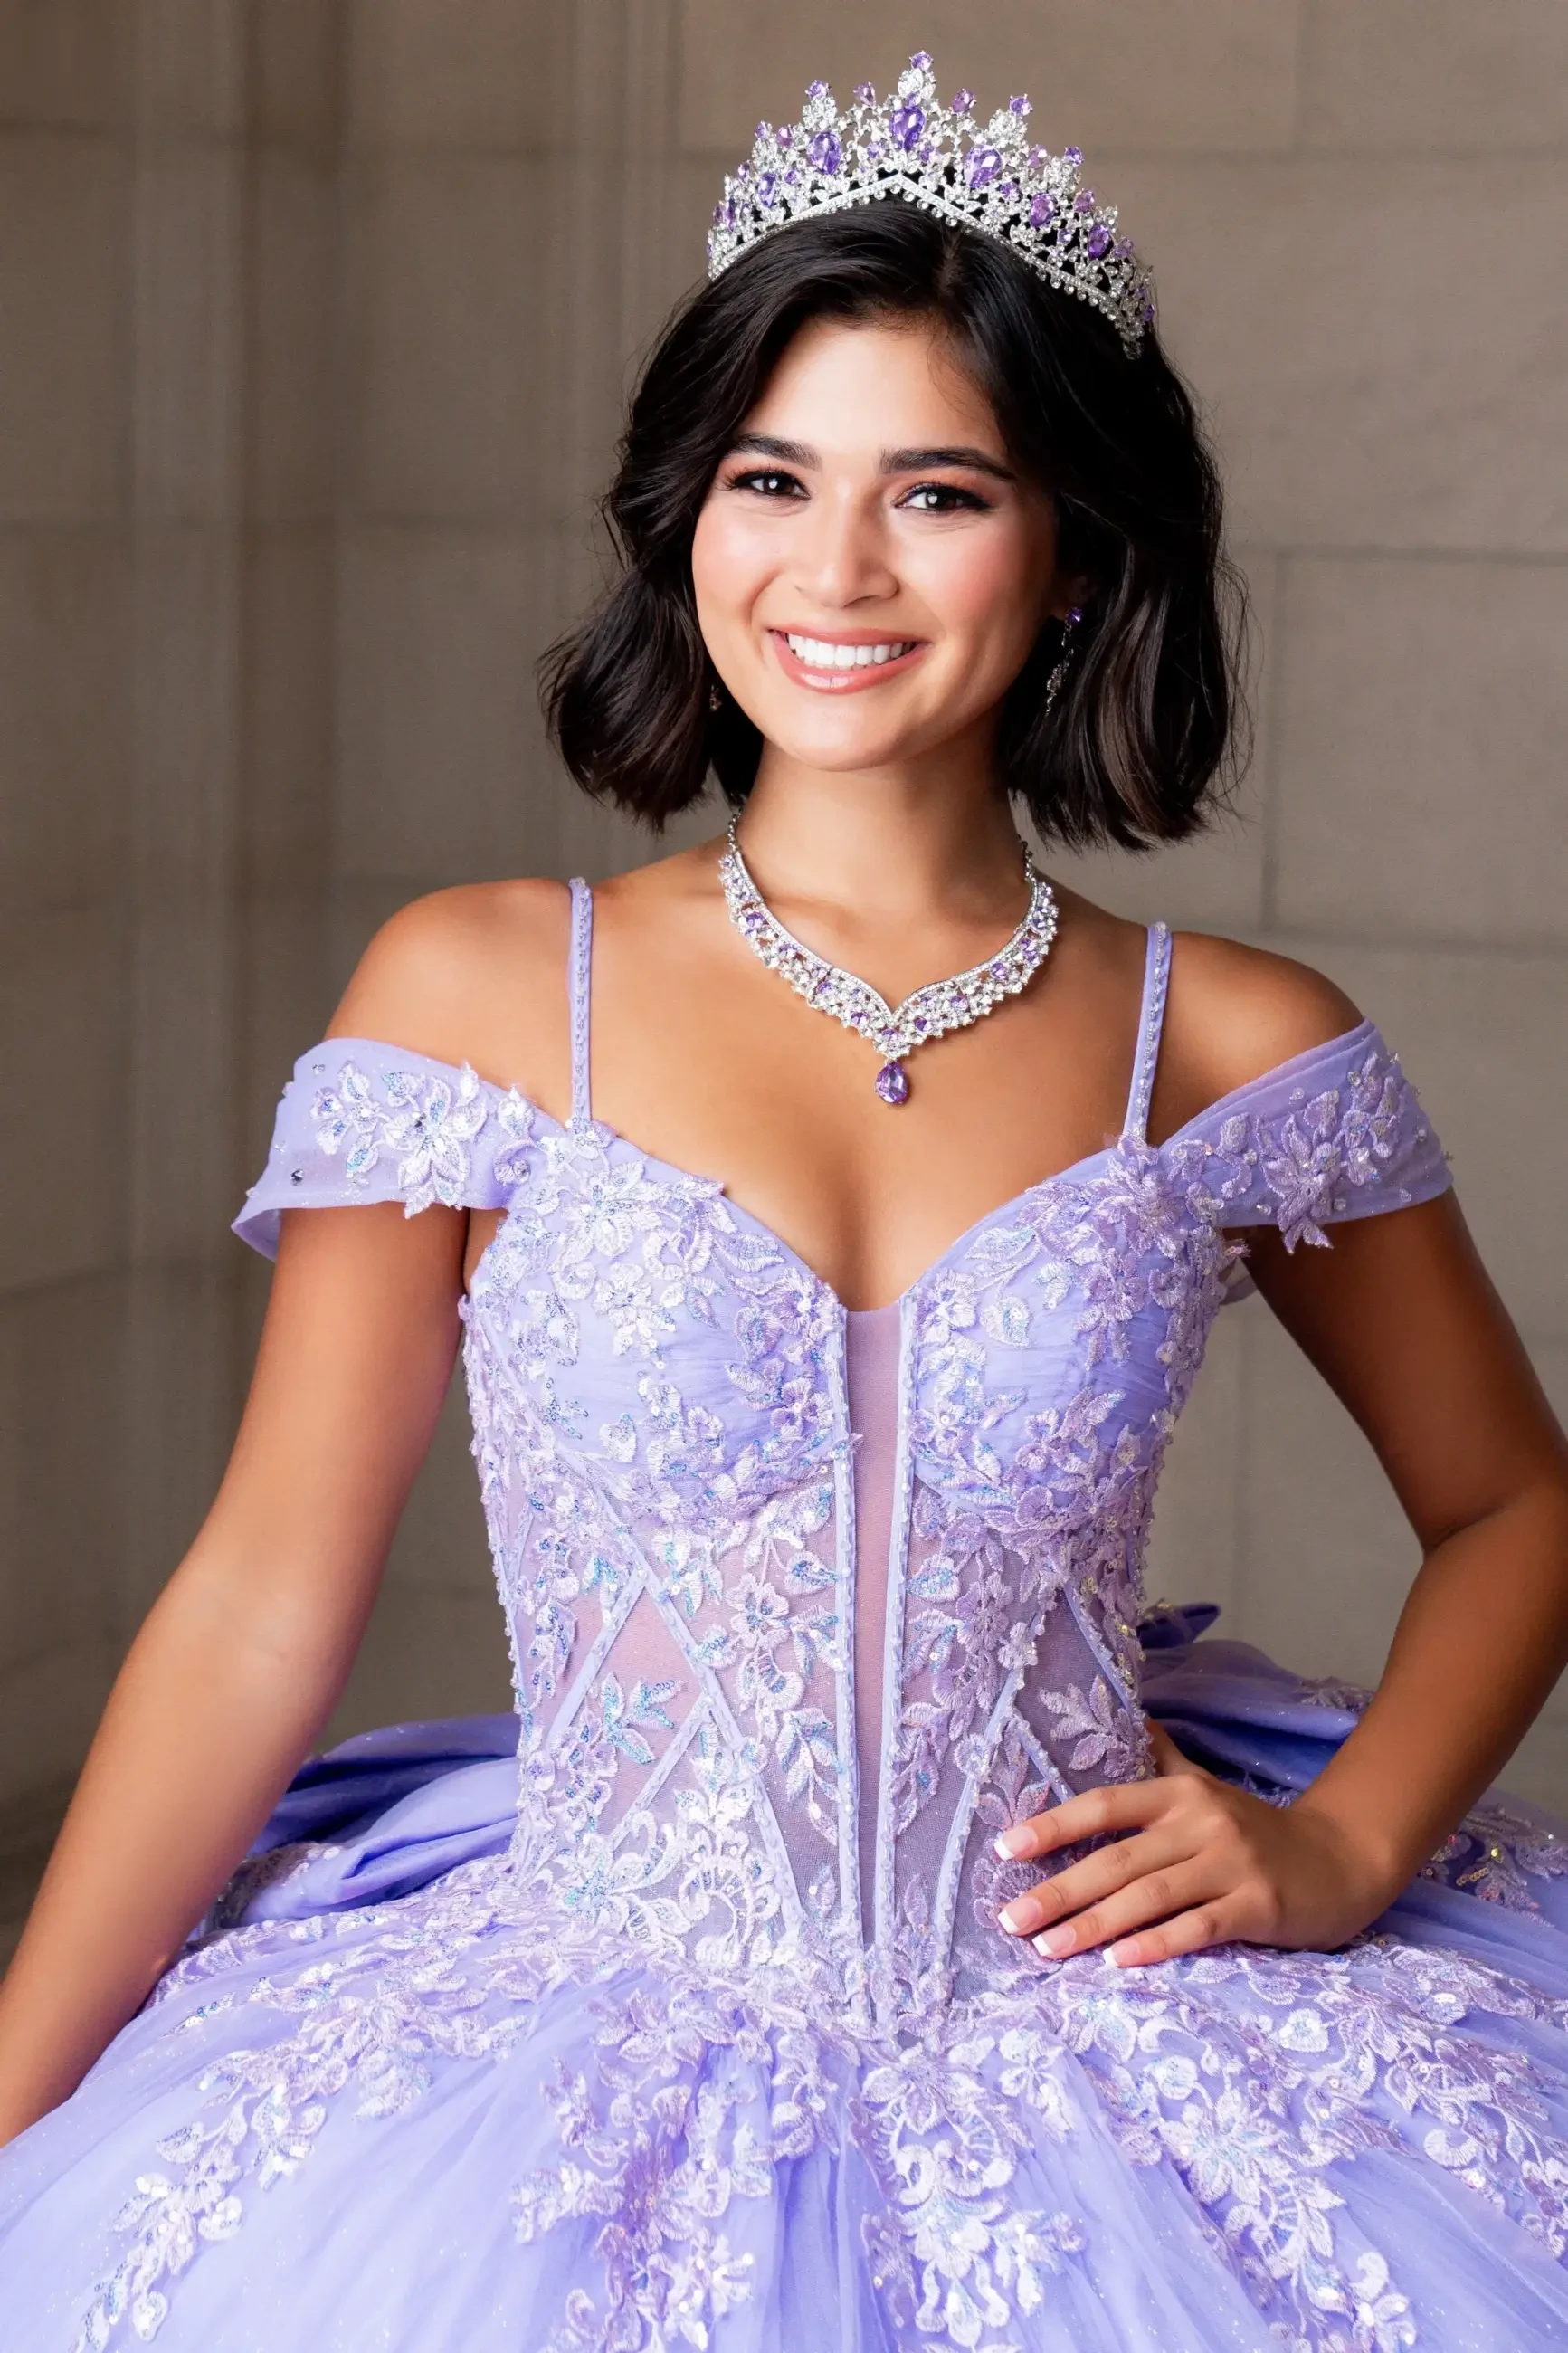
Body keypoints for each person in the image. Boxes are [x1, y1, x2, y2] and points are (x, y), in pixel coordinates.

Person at [3, 52, 1568, 2352]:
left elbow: (1510, 1502)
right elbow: (257, 1600)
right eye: (769, 478)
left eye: (933, 490)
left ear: (1072, 551)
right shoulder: (472, 994)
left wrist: (1339, 1846)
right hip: (562, 2056)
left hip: (1109, 2061)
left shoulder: (1223, 1043)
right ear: (686, 519)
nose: (832, 572)